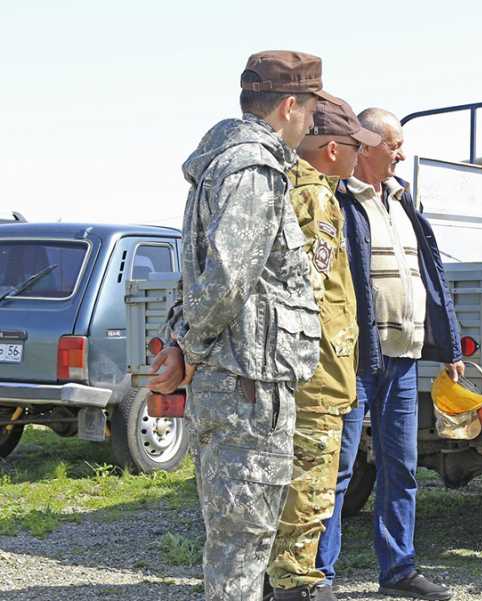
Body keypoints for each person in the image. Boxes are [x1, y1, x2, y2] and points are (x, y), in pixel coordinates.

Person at [148, 50, 332, 601]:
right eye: (311, 111)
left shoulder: (226, 162)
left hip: (241, 373)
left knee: (238, 532)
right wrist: (193, 346)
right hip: (247, 379)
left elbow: (207, 273)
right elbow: (229, 275)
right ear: (290, 105)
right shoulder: (254, 168)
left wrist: (187, 346)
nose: (313, 124)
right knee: (244, 538)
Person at [315, 108, 463, 601]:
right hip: (353, 361)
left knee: (401, 466)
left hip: (403, 358)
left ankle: (399, 570)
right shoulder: (336, 200)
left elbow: (430, 275)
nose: (401, 154)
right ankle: (319, 578)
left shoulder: (402, 201)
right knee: (336, 470)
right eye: (394, 145)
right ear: (365, 146)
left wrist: (449, 341)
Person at [265, 98, 382, 601]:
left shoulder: (292, 187)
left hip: (301, 365)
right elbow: (311, 289)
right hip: (316, 369)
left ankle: (279, 578)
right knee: (311, 479)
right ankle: (296, 582)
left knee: (288, 478)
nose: (362, 156)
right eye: (357, 147)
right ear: (333, 149)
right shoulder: (315, 197)